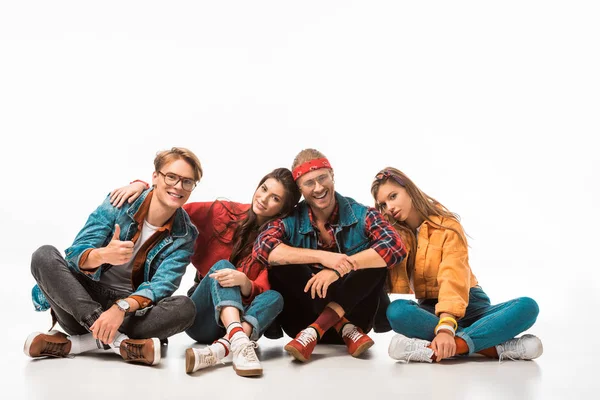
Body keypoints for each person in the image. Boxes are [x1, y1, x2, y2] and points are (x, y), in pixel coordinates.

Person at [111, 168, 301, 377]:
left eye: (275, 198)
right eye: (264, 189)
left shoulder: (277, 242)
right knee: (222, 266)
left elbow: (263, 287)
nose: (263, 199)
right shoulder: (225, 212)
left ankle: (222, 348)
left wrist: (245, 283)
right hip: (204, 319)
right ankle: (237, 342)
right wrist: (143, 185)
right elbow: (169, 204)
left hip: (242, 319)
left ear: (283, 209)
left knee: (275, 297)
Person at [25, 147, 202, 366]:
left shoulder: (186, 234)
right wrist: (102, 255)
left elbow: (162, 286)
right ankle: (120, 342)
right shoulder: (120, 201)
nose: (178, 186)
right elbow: (76, 253)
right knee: (43, 255)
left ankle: (77, 344)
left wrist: (121, 307)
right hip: (80, 304)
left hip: (129, 311)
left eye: (187, 181)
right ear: (155, 176)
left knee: (186, 308)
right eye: (171, 177)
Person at [371, 167, 543, 363]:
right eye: (383, 204)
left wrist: (446, 327)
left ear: (409, 190)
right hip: (430, 310)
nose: (389, 207)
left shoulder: (447, 226)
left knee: (527, 306)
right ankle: (493, 347)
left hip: (471, 303)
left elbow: (453, 275)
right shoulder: (394, 237)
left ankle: (436, 350)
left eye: (393, 196)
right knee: (397, 311)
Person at [254, 149, 407, 363]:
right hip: (301, 322)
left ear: (332, 175)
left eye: (322, 178)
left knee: (375, 260)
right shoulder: (290, 219)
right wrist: (323, 258)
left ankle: (320, 329)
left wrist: (339, 268)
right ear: (300, 188)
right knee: (282, 263)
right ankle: (339, 325)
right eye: (309, 183)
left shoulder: (362, 214)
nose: (318, 188)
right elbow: (263, 248)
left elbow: (395, 246)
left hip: (357, 318)